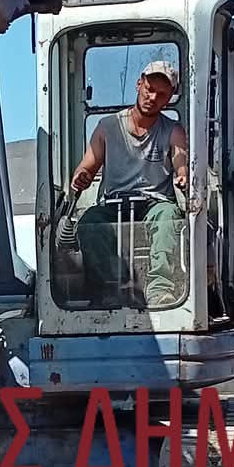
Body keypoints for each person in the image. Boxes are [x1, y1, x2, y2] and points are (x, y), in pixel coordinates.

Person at [69, 60, 189, 308]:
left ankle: (160, 290)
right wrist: (81, 175)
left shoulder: (173, 131)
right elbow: (87, 165)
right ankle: (108, 291)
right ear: (138, 84)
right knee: (90, 222)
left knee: (168, 217)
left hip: (155, 204)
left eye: (161, 94)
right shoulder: (108, 127)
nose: (152, 97)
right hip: (114, 204)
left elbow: (181, 160)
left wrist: (182, 174)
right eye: (149, 89)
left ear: (169, 99)